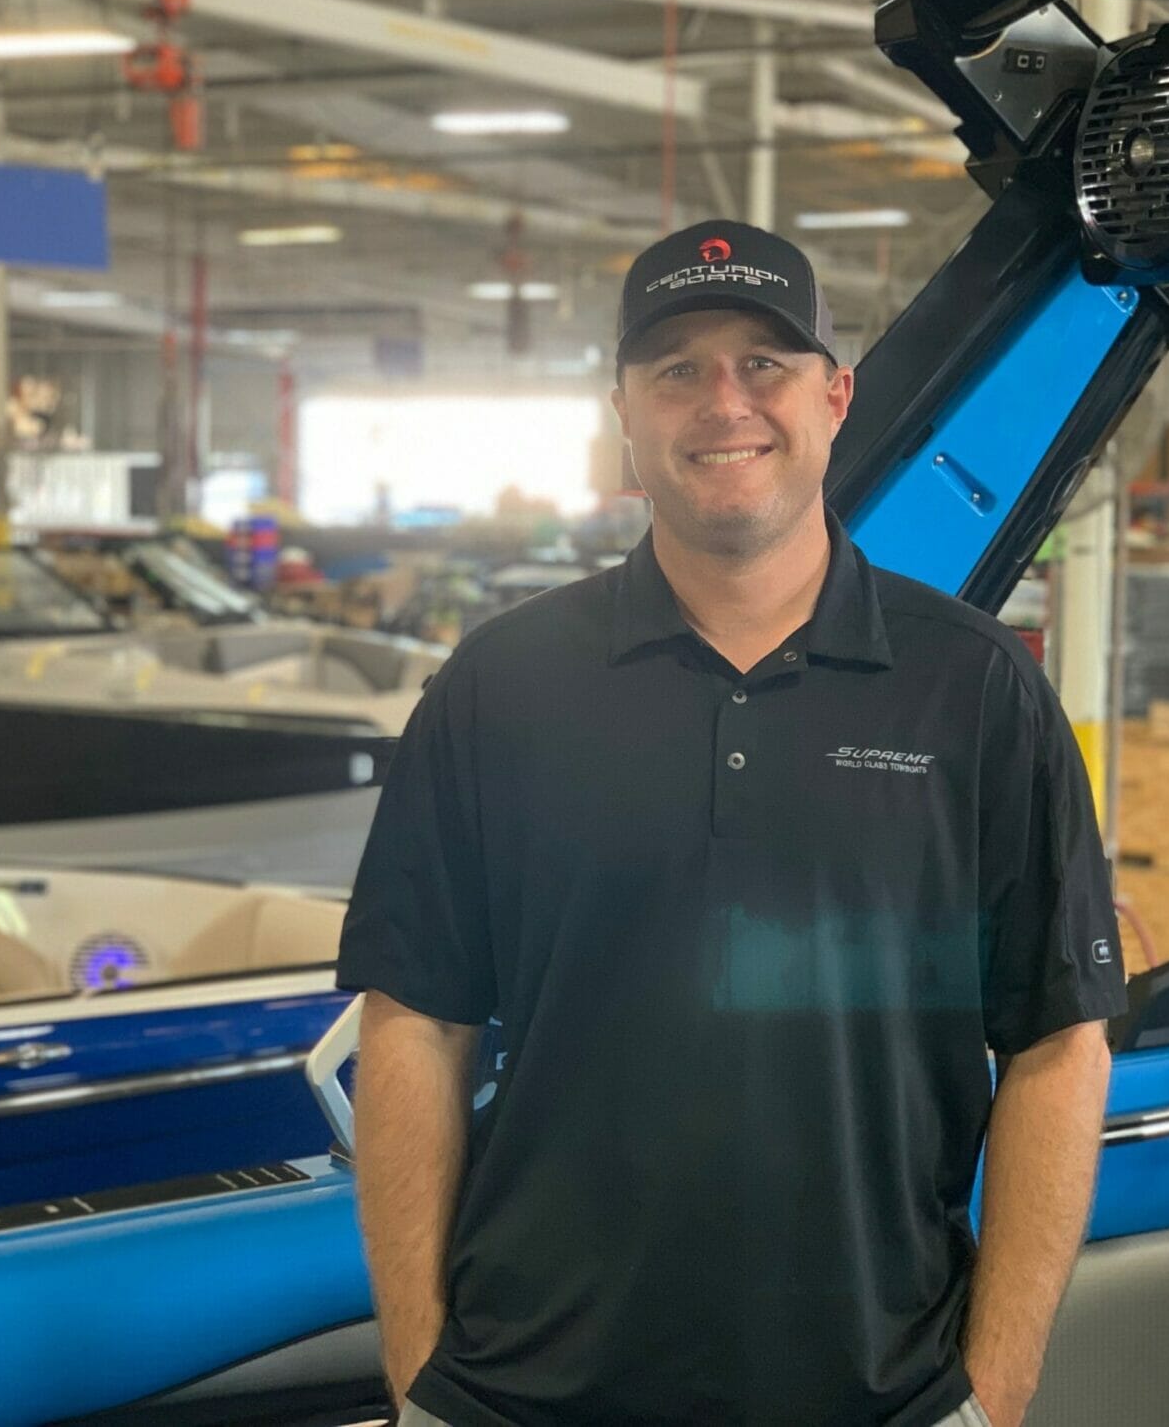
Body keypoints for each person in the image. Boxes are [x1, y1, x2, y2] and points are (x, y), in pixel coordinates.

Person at [339, 219, 1126, 1427]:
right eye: (676, 370)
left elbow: (1058, 1046)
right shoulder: (500, 685)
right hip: (526, 1393)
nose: (723, 402)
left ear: (834, 395)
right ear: (624, 417)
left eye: (763, 363)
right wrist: (418, 1381)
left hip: (875, 1396)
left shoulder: (973, 689)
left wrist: (993, 1396)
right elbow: (412, 1025)